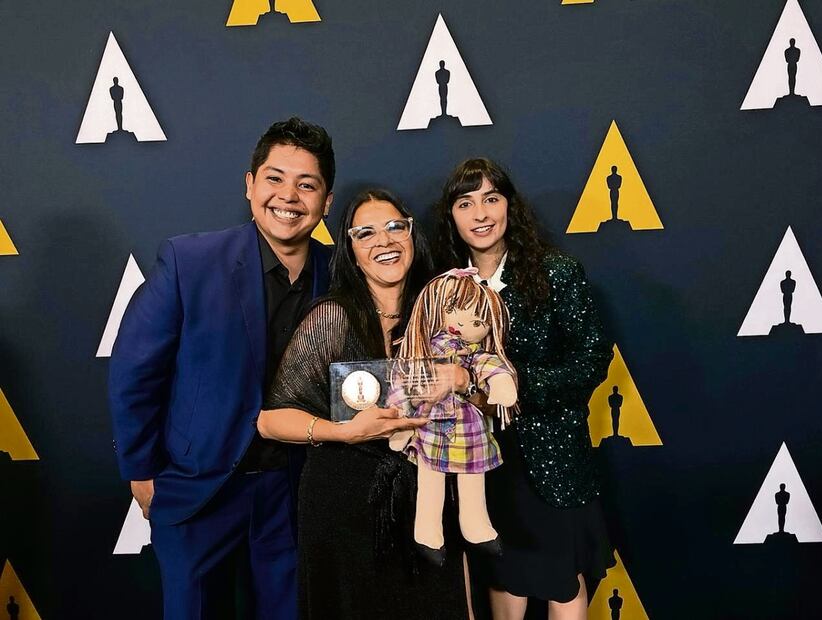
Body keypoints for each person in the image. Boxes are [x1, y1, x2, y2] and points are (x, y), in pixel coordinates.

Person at [109, 117, 335, 620]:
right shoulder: (190, 260)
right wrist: (142, 470)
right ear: (250, 185)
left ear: (327, 201)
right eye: (274, 179)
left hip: (292, 495)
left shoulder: (339, 273)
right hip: (199, 488)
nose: (288, 196)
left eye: (307, 184)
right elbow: (134, 372)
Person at [257, 189, 470, 619]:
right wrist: (342, 431)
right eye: (365, 233)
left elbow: (491, 400)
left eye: (396, 227)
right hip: (344, 501)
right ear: (351, 252)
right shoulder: (332, 317)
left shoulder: (446, 315)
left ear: (413, 236)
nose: (384, 241)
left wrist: (465, 380)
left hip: (428, 497)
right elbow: (270, 420)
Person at [434, 158, 615, 620]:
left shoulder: (556, 273)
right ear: (451, 215)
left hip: (549, 459)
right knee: (500, 580)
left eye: (491, 199)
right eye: (466, 202)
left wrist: (512, 385)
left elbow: (592, 360)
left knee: (560, 582)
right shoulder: (441, 289)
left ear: (509, 206)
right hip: (476, 464)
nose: (480, 214)